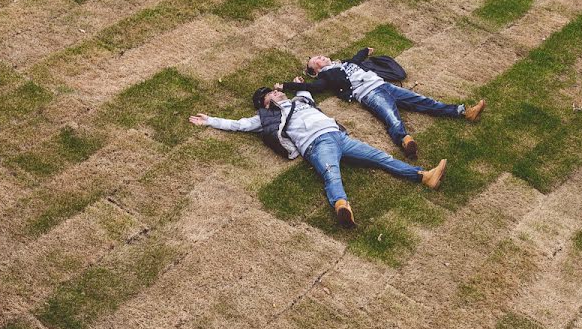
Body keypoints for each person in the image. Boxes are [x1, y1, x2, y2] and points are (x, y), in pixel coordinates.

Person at [189, 84, 448, 227]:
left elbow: (306, 93)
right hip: (315, 145)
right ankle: (341, 206)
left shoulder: (300, 101)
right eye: (271, 93)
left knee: (380, 157)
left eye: (276, 90)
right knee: (331, 174)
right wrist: (210, 120)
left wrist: (298, 86)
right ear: (265, 103)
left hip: (339, 136)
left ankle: (423, 175)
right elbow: (239, 124)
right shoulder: (266, 117)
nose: (277, 92)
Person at [275, 47, 485, 159]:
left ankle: (462, 112)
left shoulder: (344, 63)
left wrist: (365, 51)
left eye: (320, 55)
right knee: (391, 117)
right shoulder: (326, 77)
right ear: (316, 70)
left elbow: (355, 60)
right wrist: (287, 86)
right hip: (369, 93)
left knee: (423, 101)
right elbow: (316, 88)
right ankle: (405, 141)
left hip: (384, 85)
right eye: (317, 60)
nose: (322, 57)